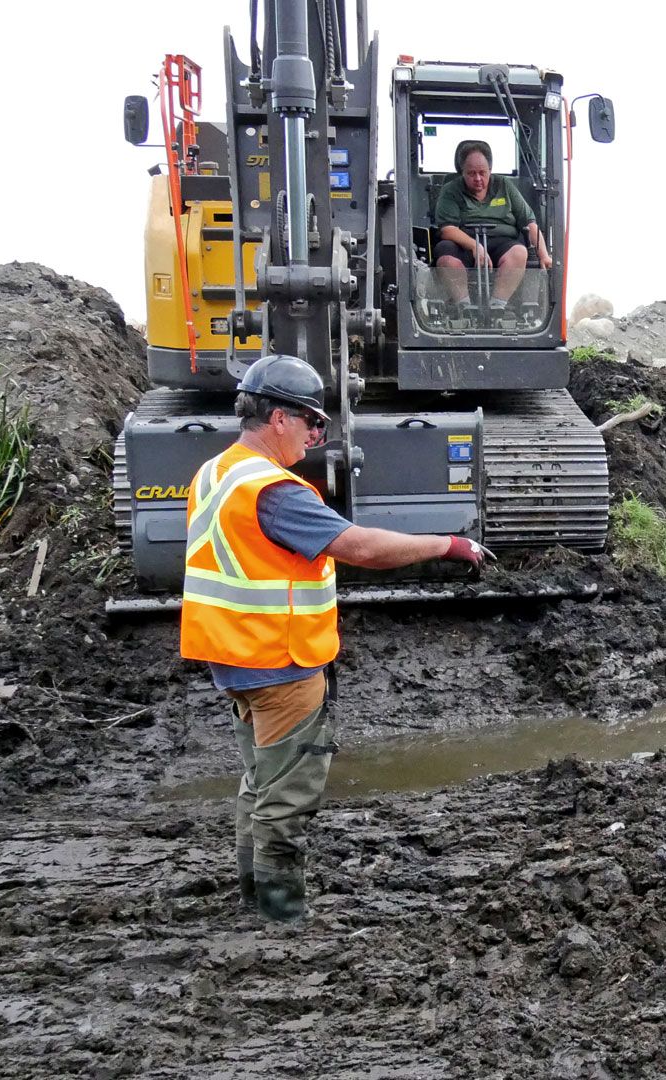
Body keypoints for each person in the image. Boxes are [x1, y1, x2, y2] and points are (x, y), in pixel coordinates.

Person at [178, 354, 489, 923]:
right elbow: (360, 548)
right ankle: (280, 914)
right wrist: (447, 544)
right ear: (278, 418)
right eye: (311, 421)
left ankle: (253, 900)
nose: (316, 434)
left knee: (259, 781)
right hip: (281, 660)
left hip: (234, 657)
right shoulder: (274, 491)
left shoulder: (216, 472)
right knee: (287, 796)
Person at [431, 140, 553, 309]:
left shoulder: (504, 186)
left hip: (502, 243)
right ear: (462, 172)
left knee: (519, 252)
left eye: (482, 173)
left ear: (490, 170)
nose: (478, 178)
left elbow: (529, 222)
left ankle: (497, 306)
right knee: (445, 256)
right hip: (463, 245)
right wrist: (475, 246)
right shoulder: (450, 190)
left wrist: (544, 255)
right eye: (471, 173)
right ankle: (464, 307)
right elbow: (447, 229)